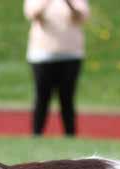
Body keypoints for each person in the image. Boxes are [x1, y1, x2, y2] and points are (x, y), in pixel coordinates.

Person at [24, 0, 90, 136]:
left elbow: (81, 16)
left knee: (67, 98)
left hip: (71, 54)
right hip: (42, 55)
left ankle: (70, 134)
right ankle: (37, 134)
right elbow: (33, 14)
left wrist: (69, 3)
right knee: (42, 97)